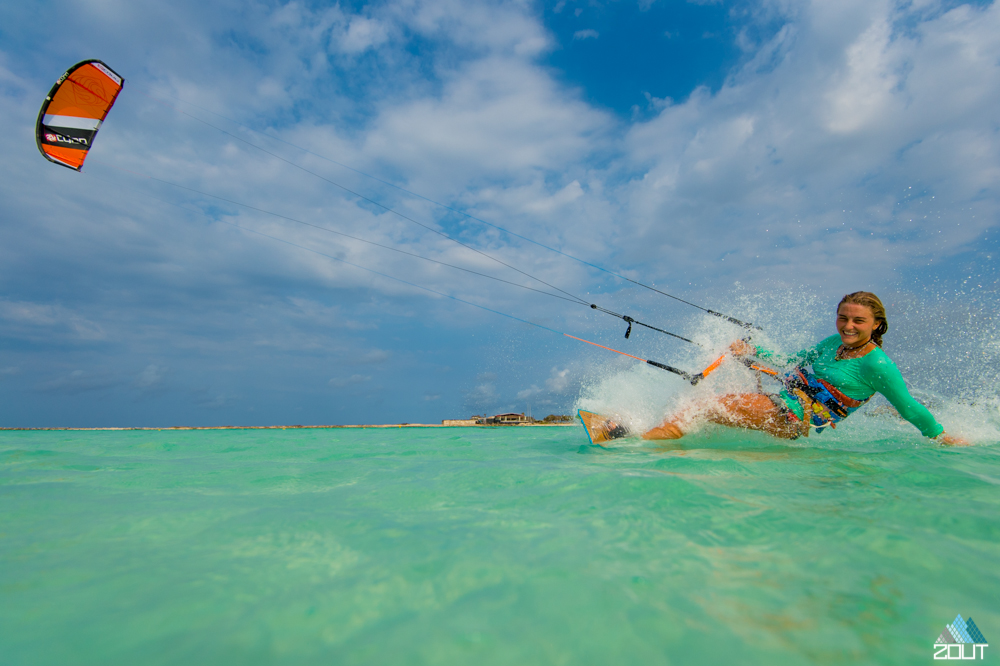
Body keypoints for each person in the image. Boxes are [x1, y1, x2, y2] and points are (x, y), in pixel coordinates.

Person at [641, 292, 969, 446]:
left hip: (792, 418)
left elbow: (908, 406)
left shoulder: (877, 364)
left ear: (877, 324)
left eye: (858, 320)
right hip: (782, 406)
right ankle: (656, 443)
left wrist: (941, 436)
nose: (848, 326)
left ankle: (634, 446)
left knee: (700, 408)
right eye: (843, 318)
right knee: (709, 423)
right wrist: (752, 351)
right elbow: (791, 361)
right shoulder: (831, 342)